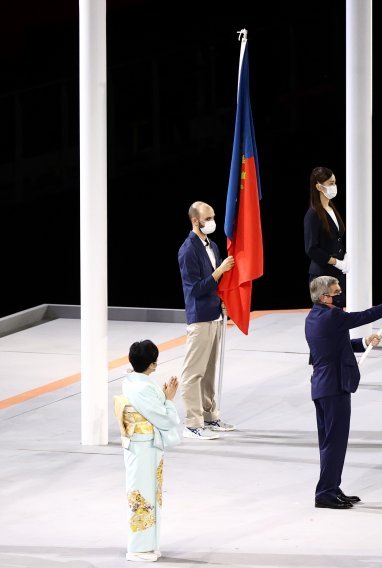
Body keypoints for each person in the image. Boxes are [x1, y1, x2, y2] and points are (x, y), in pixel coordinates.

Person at [305, 276, 382, 509]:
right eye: (336, 292)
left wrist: (364, 341)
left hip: (322, 386)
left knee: (330, 442)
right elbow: (363, 316)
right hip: (334, 387)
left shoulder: (314, 317)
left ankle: (331, 487)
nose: (340, 295)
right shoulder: (333, 315)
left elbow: (335, 344)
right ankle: (324, 493)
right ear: (324, 297)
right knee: (335, 442)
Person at [114, 339, 182, 562]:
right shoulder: (143, 386)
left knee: (149, 491)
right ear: (153, 365)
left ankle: (148, 544)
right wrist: (169, 400)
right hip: (143, 445)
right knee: (142, 493)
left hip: (143, 443)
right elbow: (162, 417)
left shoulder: (132, 381)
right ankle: (137, 548)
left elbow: (151, 406)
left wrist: (161, 396)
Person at [177, 201, 236, 440]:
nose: (212, 222)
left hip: (214, 315)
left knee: (210, 370)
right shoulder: (187, 250)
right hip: (199, 317)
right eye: (208, 218)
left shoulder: (211, 246)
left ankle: (210, 417)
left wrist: (224, 301)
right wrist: (219, 270)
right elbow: (194, 290)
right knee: (194, 372)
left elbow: (216, 286)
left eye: (213, 217)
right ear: (195, 221)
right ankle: (193, 423)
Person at [304, 167, 348, 307]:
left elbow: (337, 238)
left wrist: (345, 256)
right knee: (326, 317)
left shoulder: (331, 209)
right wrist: (336, 262)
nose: (334, 187)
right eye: (330, 183)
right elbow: (311, 249)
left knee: (339, 314)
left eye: (334, 182)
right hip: (322, 275)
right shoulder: (312, 214)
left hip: (338, 273)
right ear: (318, 186)